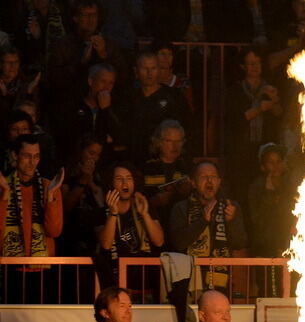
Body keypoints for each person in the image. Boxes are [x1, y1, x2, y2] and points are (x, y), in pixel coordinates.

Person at [0, 134, 64, 303]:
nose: (32, 162)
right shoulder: (3, 186)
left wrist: (50, 196)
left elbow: (54, 231)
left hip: (43, 269)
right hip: (9, 269)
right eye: (27, 156)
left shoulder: (47, 186)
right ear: (15, 155)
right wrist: (5, 196)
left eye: (36, 156)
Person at [170, 161, 248, 291]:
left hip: (220, 280)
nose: (209, 181)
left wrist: (231, 222)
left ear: (219, 181)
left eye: (213, 177)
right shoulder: (181, 208)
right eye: (203, 177)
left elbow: (240, 243)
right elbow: (179, 243)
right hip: (189, 279)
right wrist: (203, 221)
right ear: (193, 182)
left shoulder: (230, 207)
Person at [224, 46, 281, 204]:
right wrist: (258, 109)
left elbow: (279, 114)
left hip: (264, 149)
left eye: (257, 63)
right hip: (241, 151)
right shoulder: (235, 90)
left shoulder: (269, 87)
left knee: (265, 193)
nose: (255, 67)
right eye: (250, 63)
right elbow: (234, 120)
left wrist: (274, 100)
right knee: (241, 194)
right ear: (243, 67)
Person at [97, 162, 165, 290]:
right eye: (119, 179)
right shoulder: (101, 212)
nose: (125, 183)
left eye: (129, 178)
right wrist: (113, 213)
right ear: (110, 183)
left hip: (146, 279)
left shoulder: (144, 207)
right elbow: (106, 244)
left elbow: (159, 241)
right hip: (114, 280)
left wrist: (144, 214)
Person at [117, 51, 192, 164]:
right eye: (145, 68)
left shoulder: (174, 96)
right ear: (136, 71)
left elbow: (187, 126)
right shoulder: (128, 97)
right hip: (135, 159)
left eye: (153, 68)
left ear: (159, 70)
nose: (149, 73)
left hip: (166, 160)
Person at [141, 119, 193, 228]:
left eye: (178, 141)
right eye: (169, 141)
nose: (175, 146)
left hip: (181, 225)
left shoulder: (187, 167)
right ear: (159, 142)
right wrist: (154, 201)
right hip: (153, 224)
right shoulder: (147, 168)